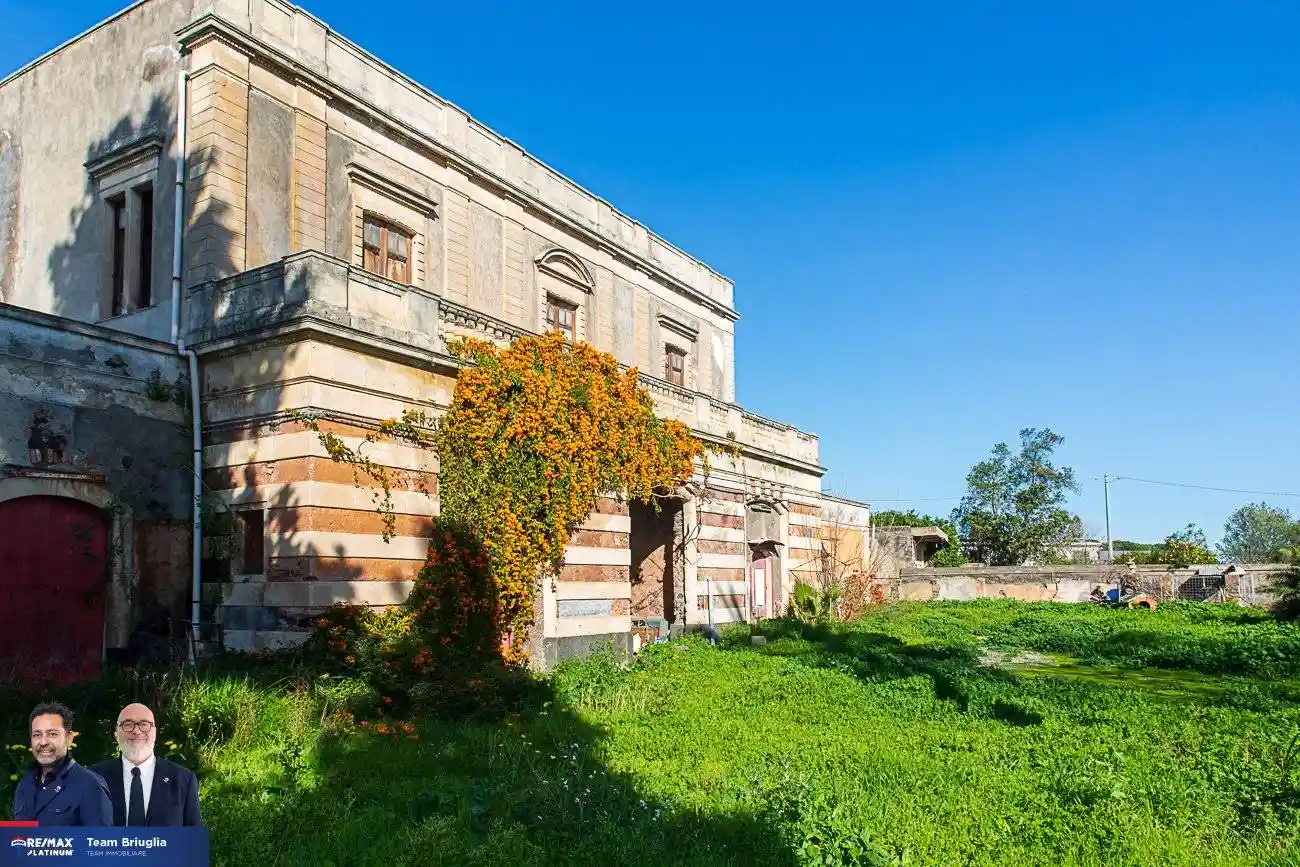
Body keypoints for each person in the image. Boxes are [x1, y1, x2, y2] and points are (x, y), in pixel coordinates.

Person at [92, 703, 202, 827]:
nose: (137, 731)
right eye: (128, 725)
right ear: (116, 733)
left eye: (144, 724)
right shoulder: (93, 778)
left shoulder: (183, 779)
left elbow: (192, 840)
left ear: (155, 732)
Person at [12, 702, 112, 826]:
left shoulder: (91, 785)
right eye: (37, 735)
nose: (43, 742)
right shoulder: (24, 785)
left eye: (52, 734)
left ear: (69, 739)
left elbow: (100, 843)